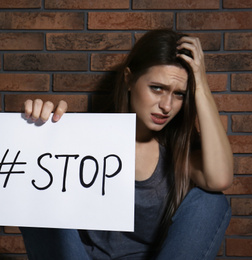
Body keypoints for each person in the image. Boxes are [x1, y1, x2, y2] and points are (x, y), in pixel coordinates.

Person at [19, 29, 233, 260]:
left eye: (179, 94)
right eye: (157, 88)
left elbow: (220, 179)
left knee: (212, 201)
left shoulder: (179, 153)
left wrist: (200, 84)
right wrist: (39, 128)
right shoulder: (84, 136)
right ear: (129, 79)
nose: (167, 106)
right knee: (38, 195)